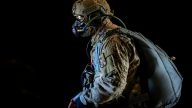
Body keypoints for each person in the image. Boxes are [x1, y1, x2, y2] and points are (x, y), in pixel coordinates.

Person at [68, 0, 150, 108]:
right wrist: (82, 95)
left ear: (94, 17)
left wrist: (84, 99)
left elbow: (113, 86)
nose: (78, 24)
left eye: (80, 18)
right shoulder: (102, 39)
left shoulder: (113, 42)